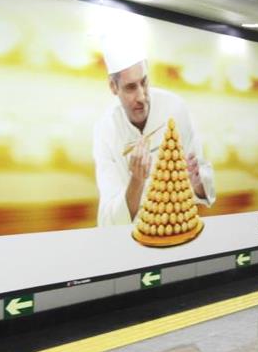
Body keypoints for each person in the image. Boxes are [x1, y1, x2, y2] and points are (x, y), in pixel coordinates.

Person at [92, 40, 215, 227]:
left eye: (144, 82)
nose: (142, 97)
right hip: (134, 235)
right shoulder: (106, 129)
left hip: (178, 227)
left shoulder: (175, 107)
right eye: (131, 87)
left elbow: (204, 184)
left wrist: (197, 182)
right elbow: (110, 220)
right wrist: (136, 181)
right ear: (113, 87)